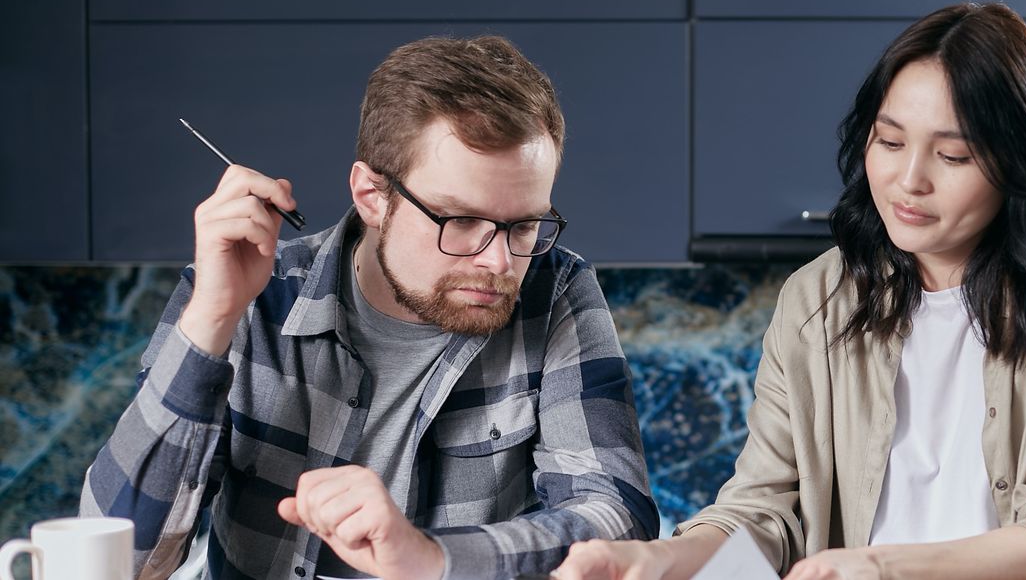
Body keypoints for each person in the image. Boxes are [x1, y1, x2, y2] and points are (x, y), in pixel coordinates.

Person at [554, 2, 1026, 580]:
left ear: (1017, 161)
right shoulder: (816, 297)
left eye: (954, 154)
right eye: (889, 142)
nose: (909, 180)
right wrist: (655, 560)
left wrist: (881, 566)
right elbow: (765, 513)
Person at [80, 36, 658, 580]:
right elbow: (118, 562)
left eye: (525, 225)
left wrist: (428, 560)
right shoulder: (243, 295)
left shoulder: (555, 291)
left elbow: (614, 521)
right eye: (460, 222)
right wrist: (210, 319)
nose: (500, 262)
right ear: (372, 196)